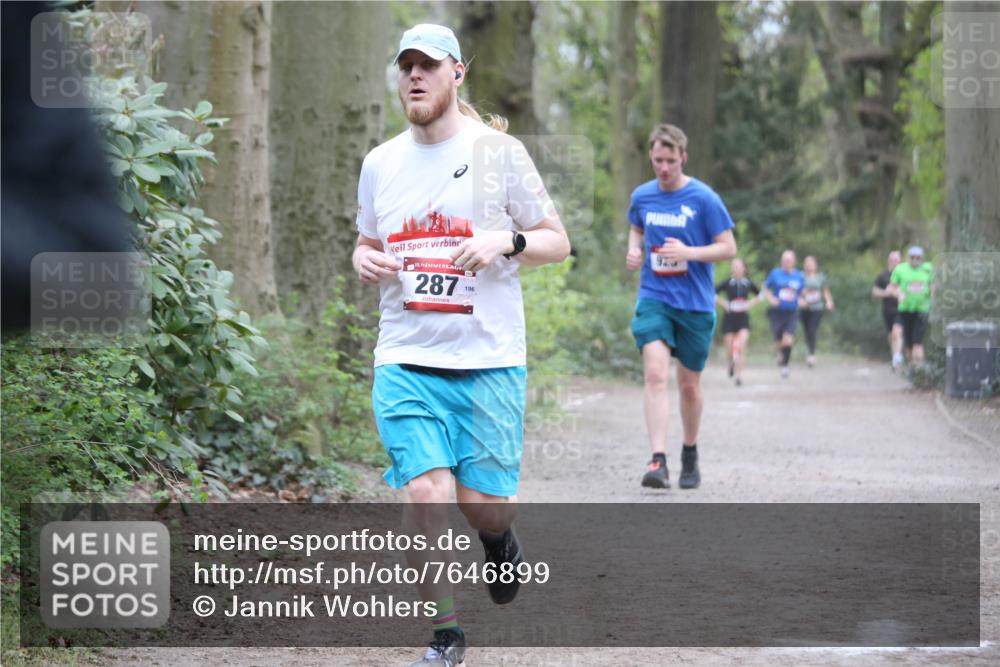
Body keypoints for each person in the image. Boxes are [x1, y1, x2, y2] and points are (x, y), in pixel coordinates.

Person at [352, 23, 571, 666]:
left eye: (427, 65)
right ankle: (445, 632)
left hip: (489, 360)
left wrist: (507, 241)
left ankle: (499, 544)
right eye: (405, 66)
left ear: (457, 74)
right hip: (406, 357)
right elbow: (367, 241)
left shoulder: (498, 155)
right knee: (426, 492)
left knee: (486, 508)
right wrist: (364, 258)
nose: (414, 76)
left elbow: (556, 240)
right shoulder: (380, 163)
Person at [625, 123, 737, 491]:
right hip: (655, 297)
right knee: (655, 374)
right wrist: (634, 248)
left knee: (689, 386)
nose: (664, 167)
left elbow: (728, 248)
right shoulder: (643, 196)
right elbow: (637, 227)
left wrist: (690, 253)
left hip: (695, 304)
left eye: (671, 160)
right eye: (658, 160)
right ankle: (658, 460)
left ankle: (689, 450)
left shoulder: (704, 199)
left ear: (683, 158)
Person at [715, 258, 760, 386]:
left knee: (740, 346)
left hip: (743, 319)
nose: (736, 269)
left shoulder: (748, 283)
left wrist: (749, 304)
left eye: (739, 266)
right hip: (729, 318)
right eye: (734, 266)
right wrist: (724, 303)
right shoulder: (728, 283)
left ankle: (739, 376)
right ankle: (730, 362)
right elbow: (712, 293)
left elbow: (760, 295)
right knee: (729, 347)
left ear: (744, 268)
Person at [761, 249, 804, 378]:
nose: (786, 263)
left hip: (791, 312)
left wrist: (802, 299)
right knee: (779, 341)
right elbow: (765, 287)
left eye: (788, 260)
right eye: (784, 260)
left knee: (788, 340)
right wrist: (771, 299)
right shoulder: (775, 274)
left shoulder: (799, 276)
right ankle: (781, 354)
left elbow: (802, 292)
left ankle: (785, 366)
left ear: (794, 262)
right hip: (777, 312)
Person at [890, 246, 933, 366]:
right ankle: (909, 367)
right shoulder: (900, 269)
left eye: (918, 257)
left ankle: (920, 370)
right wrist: (898, 294)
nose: (915, 260)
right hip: (904, 310)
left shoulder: (928, 269)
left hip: (921, 310)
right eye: (913, 257)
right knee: (907, 343)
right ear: (909, 258)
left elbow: (933, 285)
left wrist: (933, 297)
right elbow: (892, 287)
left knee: (917, 343)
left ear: (922, 258)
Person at [798, 255, 834, 367]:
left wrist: (829, 301)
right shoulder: (800, 276)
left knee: (812, 329)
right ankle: (809, 351)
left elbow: (825, 291)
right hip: (804, 308)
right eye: (807, 264)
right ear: (804, 265)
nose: (809, 266)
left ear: (815, 265)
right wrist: (800, 299)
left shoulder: (820, 277)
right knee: (807, 330)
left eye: (811, 263)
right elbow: (795, 290)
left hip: (817, 308)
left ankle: (812, 355)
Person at [872, 250, 904, 370]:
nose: (894, 262)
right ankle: (896, 356)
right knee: (891, 335)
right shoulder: (883, 276)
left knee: (897, 332)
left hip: (901, 309)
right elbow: (874, 291)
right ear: (888, 261)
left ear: (900, 261)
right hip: (887, 310)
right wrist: (887, 293)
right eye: (892, 260)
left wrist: (899, 294)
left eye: (896, 260)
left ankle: (897, 358)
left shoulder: (904, 275)